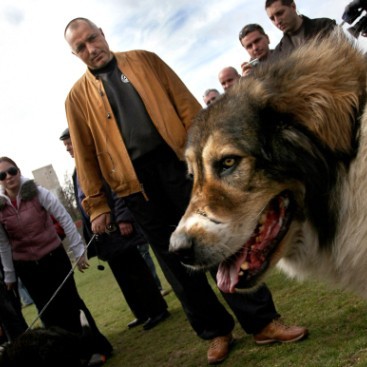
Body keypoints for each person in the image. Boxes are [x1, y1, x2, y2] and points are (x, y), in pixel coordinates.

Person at [64, 18, 307, 365]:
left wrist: (208, 154)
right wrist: (97, 204)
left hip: (182, 167)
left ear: (102, 33)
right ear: (75, 55)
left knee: (219, 240)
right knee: (176, 264)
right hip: (136, 187)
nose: (91, 49)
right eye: (81, 48)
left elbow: (186, 106)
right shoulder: (76, 99)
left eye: (92, 39)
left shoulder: (145, 60)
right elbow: (85, 156)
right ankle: (216, 332)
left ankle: (263, 322)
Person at [0, 156, 112, 364]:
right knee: (49, 314)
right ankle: (66, 358)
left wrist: (78, 250)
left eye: (12, 171)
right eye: (2, 175)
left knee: (71, 304)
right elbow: (3, 243)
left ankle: (96, 348)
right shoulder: (0, 207)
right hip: (26, 266)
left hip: (53, 257)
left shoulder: (37, 192)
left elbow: (63, 218)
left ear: (18, 170)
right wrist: (9, 275)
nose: (8, 177)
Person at [59, 128, 170, 330]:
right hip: (102, 235)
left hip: (117, 226)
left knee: (136, 270)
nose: (67, 148)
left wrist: (123, 219)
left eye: (70, 143)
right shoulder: (79, 169)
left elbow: (118, 190)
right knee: (122, 276)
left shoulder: (99, 162)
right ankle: (141, 313)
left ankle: (157, 310)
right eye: (65, 145)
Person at [265, 0, 336, 55]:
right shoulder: (279, 52)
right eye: (272, 19)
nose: (277, 22)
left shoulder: (325, 26)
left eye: (280, 13)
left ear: (293, 7)